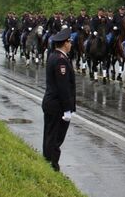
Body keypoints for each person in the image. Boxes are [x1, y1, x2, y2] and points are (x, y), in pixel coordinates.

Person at [42, 28, 76, 172]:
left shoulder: (54, 56)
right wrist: (68, 109)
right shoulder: (61, 61)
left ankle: (46, 161)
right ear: (64, 43)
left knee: (49, 135)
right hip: (57, 106)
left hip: (51, 103)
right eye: (69, 42)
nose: (71, 44)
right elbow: (63, 88)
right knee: (55, 138)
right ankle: (52, 166)